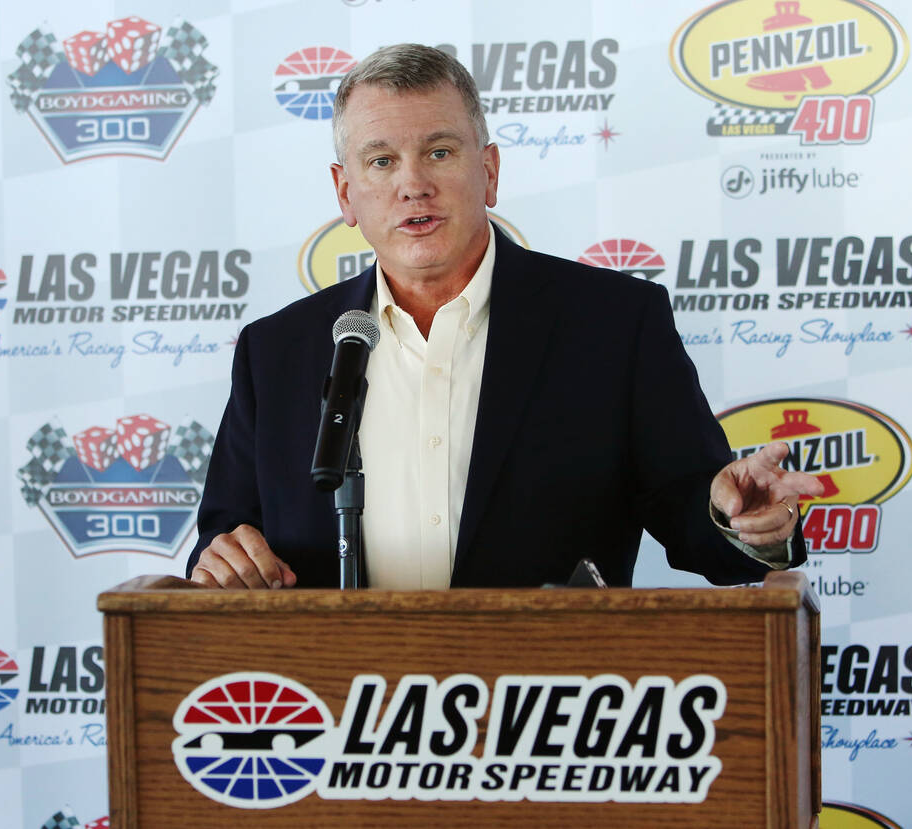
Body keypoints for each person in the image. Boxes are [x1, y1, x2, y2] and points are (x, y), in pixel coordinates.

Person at [186, 44, 823, 590]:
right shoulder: (277, 352)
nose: (413, 185)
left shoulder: (614, 325)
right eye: (381, 161)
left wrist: (740, 520)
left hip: (548, 713)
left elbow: (696, 519)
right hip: (339, 713)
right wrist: (223, 560)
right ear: (345, 193)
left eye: (438, 152)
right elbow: (226, 536)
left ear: (488, 172)